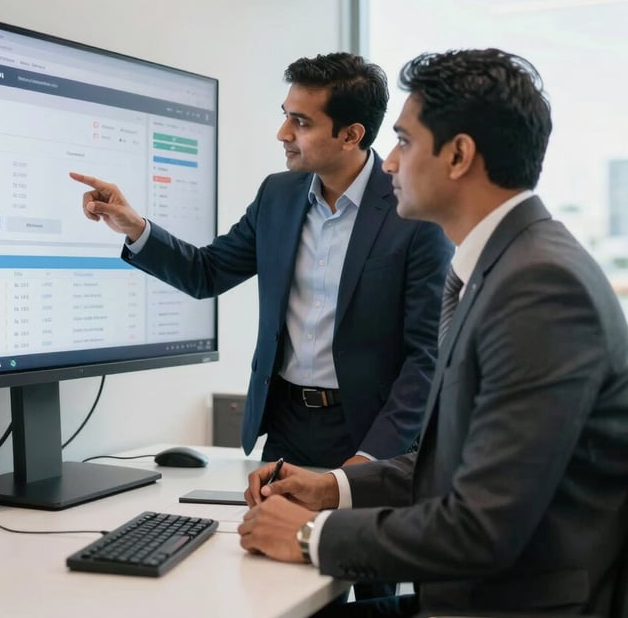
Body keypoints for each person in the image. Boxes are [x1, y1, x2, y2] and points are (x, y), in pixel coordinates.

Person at [238, 48, 628, 617]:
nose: (389, 163)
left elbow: (482, 526)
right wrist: (333, 489)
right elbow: (458, 466)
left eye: (404, 141)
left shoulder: (540, 288)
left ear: (459, 155)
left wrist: (308, 536)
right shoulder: (504, 266)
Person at [70, 52, 452, 469]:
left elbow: (426, 357)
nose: (282, 133)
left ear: (350, 135)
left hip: (368, 433)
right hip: (286, 427)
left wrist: (371, 457)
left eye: (301, 123)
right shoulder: (278, 195)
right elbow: (206, 273)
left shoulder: (413, 211)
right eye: (286, 115)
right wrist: (135, 227)